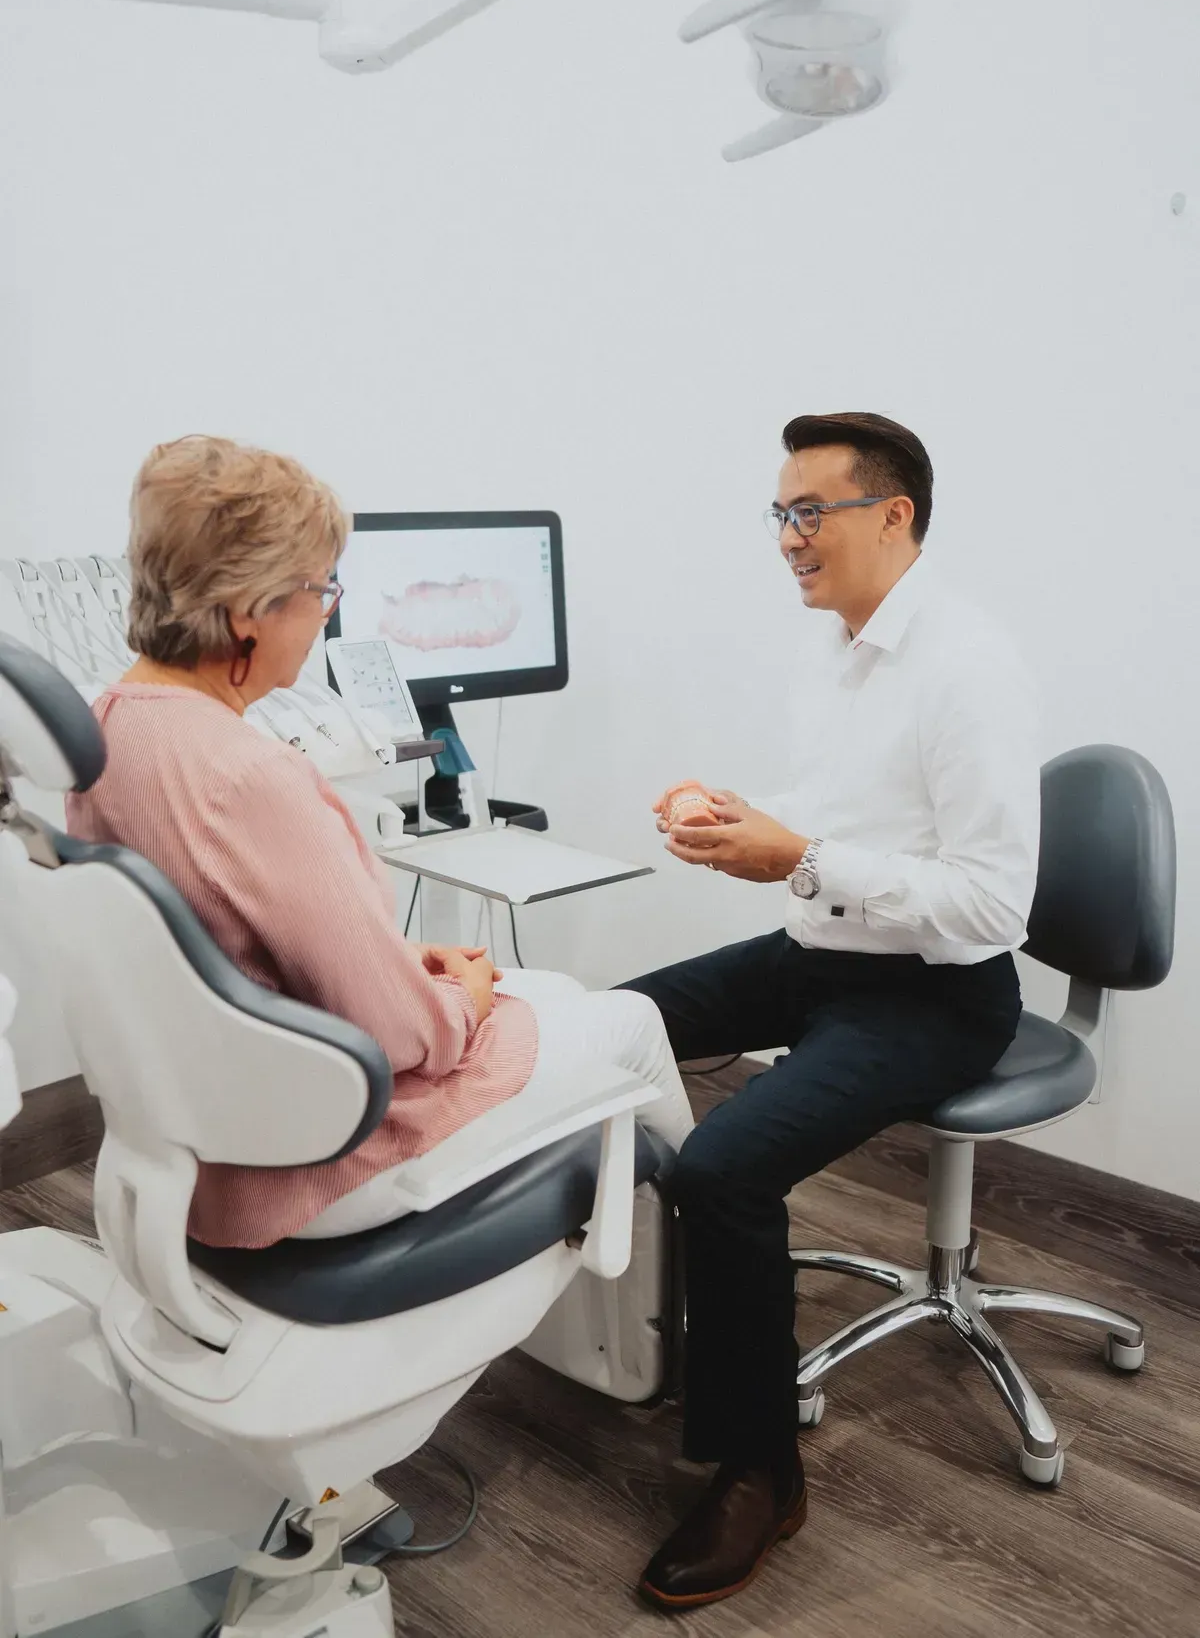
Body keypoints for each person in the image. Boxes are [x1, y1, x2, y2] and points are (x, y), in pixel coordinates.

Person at [67, 434, 693, 1250]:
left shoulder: (106, 727)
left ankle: (636, 1299)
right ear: (250, 608)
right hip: (310, 1160)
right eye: (320, 589)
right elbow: (403, 1037)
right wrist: (462, 998)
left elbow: (219, 947)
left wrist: (397, 959)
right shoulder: (250, 775)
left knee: (560, 992)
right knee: (634, 1021)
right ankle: (707, 1279)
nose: (328, 611)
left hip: (202, 1135)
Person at [626, 411, 1040, 1611]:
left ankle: (761, 1471)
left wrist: (800, 857)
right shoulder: (835, 646)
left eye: (810, 513)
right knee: (611, 1024)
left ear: (892, 516)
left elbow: (992, 905)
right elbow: (843, 818)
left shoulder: (969, 667)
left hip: (938, 990)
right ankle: (626, 1336)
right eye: (781, 514)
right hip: (823, 950)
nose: (787, 538)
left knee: (723, 1166)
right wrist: (743, 820)